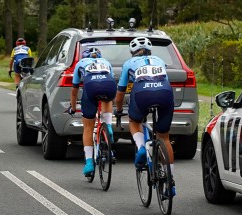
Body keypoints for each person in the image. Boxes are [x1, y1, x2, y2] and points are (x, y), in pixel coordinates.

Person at [114, 36, 176, 197]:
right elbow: (164, 81)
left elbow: (120, 94)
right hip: (165, 94)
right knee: (164, 138)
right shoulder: (159, 60)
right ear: (150, 50)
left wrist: (119, 110)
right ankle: (171, 182)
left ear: (132, 52)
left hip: (142, 94)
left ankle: (141, 147)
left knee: (134, 121)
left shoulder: (128, 64)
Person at [68, 46, 117, 177]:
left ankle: (89, 163)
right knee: (107, 99)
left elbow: (74, 91)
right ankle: (108, 127)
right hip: (109, 87)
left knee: (88, 128)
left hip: (90, 89)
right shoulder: (106, 62)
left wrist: (72, 107)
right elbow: (110, 80)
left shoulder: (81, 64)